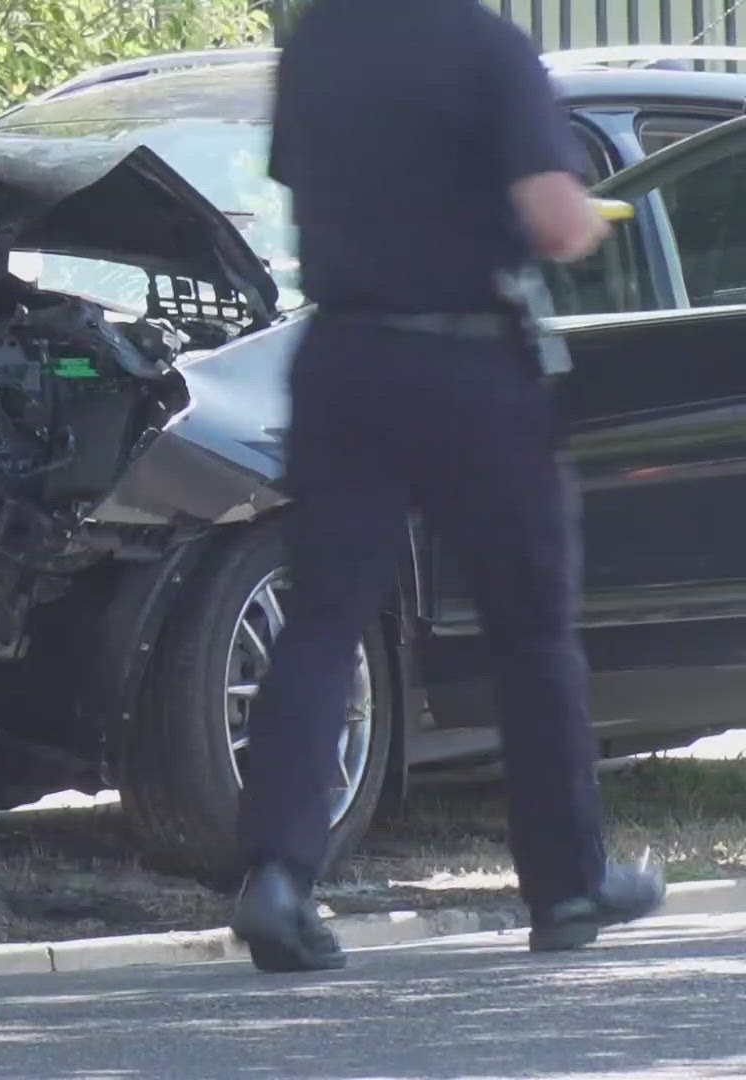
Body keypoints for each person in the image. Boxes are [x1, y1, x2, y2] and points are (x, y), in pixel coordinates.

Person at [230, 0, 665, 974]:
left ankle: (278, 879)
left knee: (323, 621)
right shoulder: (484, 46)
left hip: (341, 359)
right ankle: (566, 887)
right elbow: (556, 222)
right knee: (531, 630)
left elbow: (315, 188)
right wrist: (583, 221)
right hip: (469, 367)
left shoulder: (317, 46)